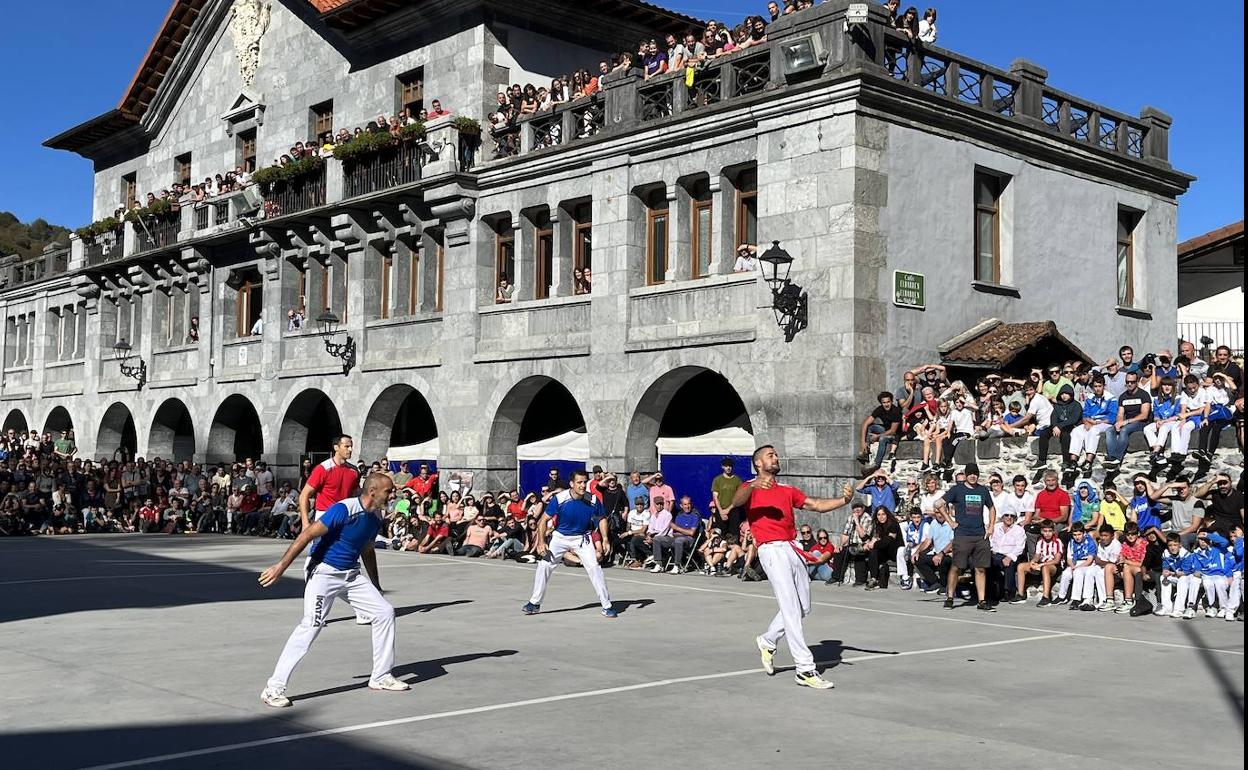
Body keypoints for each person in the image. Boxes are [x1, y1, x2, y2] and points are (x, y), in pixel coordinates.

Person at [258, 474, 407, 708]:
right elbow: (307, 534)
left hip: (351, 574)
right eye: (389, 491)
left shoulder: (376, 516)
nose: (393, 495)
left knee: (384, 612)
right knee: (311, 626)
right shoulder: (344, 509)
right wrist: (280, 566)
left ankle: (381, 677)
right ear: (373, 492)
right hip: (323, 573)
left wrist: (376, 585)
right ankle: (273, 688)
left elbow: (368, 550)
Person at [730, 445, 852, 689]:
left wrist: (843, 500)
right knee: (790, 608)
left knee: (803, 607)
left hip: (792, 547)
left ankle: (768, 640)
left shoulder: (787, 490)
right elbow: (735, 501)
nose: (775, 458)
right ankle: (805, 669)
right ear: (758, 463)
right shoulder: (749, 487)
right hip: (771, 549)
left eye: (776, 455)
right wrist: (752, 485)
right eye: (770, 455)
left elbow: (815, 504)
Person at [522, 470, 615, 617]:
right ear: (571, 484)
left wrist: (605, 539)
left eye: (585, 482)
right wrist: (540, 542)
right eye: (579, 482)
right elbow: (543, 521)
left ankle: (607, 606)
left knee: (595, 569)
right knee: (544, 566)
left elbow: (602, 518)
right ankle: (534, 604)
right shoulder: (560, 499)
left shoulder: (592, 500)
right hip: (560, 538)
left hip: (582, 539)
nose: (583, 485)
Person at [299, 435, 367, 623]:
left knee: (349, 564)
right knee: (314, 564)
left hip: (346, 520)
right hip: (324, 519)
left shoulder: (353, 472)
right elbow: (305, 495)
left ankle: (363, 609)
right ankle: (312, 614)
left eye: (351, 446)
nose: (350, 450)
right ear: (336, 447)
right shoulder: (323, 469)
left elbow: (355, 496)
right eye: (346, 446)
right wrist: (306, 523)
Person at [934, 464, 996, 611]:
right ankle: (950, 597)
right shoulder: (957, 490)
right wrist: (950, 521)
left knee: (980, 568)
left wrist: (991, 526)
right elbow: (938, 504)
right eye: (970, 474)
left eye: (975, 474)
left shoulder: (983, 490)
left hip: (980, 534)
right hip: (962, 534)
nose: (973, 476)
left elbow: (992, 508)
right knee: (957, 566)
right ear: (966, 475)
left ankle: (981, 601)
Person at [1012, 521, 1062, 606]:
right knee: (1021, 566)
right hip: (1041, 563)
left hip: (1053, 566)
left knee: (1045, 568)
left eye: (1049, 531)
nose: (1047, 534)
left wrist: (1041, 565)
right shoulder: (1040, 541)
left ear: (1053, 531)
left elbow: (1056, 560)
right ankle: (1020, 594)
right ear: (1042, 531)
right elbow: (1037, 555)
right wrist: (1033, 561)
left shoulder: (1057, 542)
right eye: (1045, 531)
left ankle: (1046, 597)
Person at [858, 392, 902, 471]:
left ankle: (876, 464)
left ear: (891, 402)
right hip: (885, 429)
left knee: (882, 439)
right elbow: (865, 423)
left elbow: (893, 431)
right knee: (870, 427)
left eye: (888, 402)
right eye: (884, 402)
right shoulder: (879, 409)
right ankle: (866, 451)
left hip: (896, 434)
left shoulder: (896, 411)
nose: (886, 404)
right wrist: (863, 442)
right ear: (881, 403)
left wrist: (877, 436)